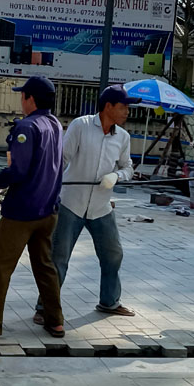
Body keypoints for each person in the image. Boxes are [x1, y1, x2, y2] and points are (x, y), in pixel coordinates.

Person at [0, 76, 65, 342]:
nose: (21, 100)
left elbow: (18, 171)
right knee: (45, 267)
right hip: (48, 210)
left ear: (30, 98)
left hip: (21, 213)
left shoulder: (27, 127)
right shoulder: (55, 124)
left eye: (22, 95)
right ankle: (55, 321)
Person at [34, 84, 140, 326]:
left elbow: (128, 167)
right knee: (59, 258)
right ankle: (45, 307)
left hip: (101, 207)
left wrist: (116, 176)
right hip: (71, 203)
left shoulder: (123, 137)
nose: (127, 112)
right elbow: (61, 158)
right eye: (123, 107)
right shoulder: (80, 126)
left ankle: (109, 302)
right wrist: (47, 187)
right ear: (108, 106)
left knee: (113, 254)